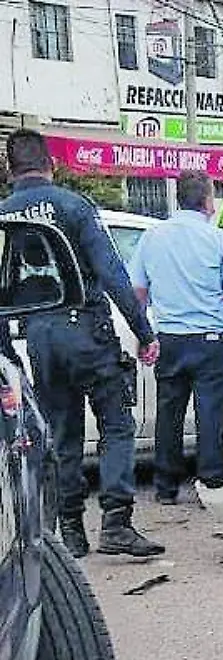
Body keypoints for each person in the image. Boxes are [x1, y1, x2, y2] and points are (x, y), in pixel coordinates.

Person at [0, 129, 163, 558]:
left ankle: (70, 529)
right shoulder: (74, 206)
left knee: (61, 432)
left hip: (38, 338)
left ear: (9, 170)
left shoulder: (4, 216)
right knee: (116, 423)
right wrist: (144, 332)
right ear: (50, 164)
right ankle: (116, 522)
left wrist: (6, 350)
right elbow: (111, 273)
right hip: (86, 330)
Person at [129, 170, 223, 505]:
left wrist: (143, 335)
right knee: (211, 412)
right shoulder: (221, 240)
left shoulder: (152, 237)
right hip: (211, 340)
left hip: (168, 338)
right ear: (208, 202)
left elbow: (138, 291)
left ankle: (166, 485)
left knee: (169, 412)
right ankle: (211, 482)